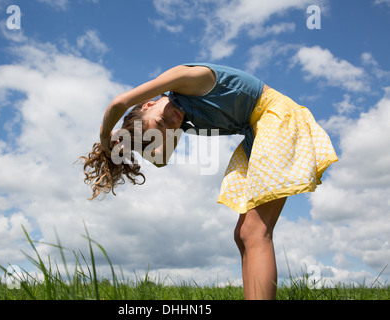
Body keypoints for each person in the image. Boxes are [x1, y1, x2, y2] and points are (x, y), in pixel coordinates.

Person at [80, 63, 338, 300]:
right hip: (256, 132)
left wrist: (106, 139)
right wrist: (127, 143)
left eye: (162, 120)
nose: (171, 123)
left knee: (256, 232)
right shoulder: (179, 119)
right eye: (166, 129)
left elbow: (119, 102)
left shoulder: (185, 79)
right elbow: (161, 160)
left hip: (276, 117)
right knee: (242, 234)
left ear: (148, 104)